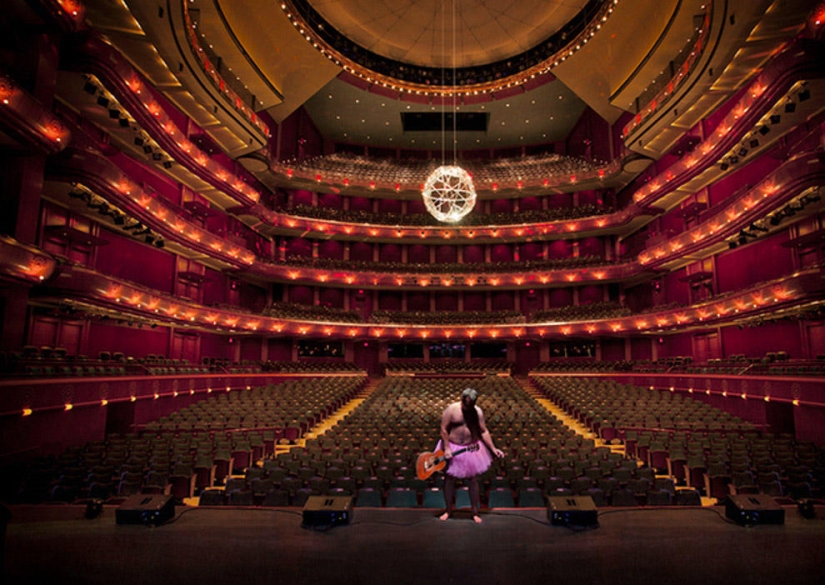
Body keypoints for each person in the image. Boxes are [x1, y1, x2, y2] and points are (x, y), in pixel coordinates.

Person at [437, 387, 505, 524]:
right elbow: (443, 429)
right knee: (449, 479)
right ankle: (448, 510)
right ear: (463, 400)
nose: (469, 406)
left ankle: (475, 511)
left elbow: (484, 431)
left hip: (470, 447)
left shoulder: (477, 412)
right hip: (452, 446)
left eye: (471, 404)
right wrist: (447, 448)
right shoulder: (452, 410)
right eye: (467, 403)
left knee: (472, 480)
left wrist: (493, 448)